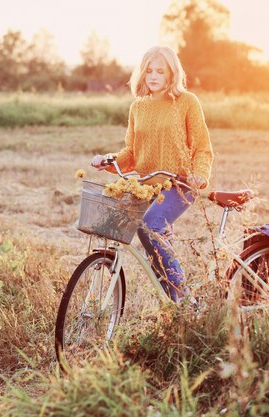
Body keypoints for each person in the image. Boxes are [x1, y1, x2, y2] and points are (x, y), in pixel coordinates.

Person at [91, 45, 213, 303]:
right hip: (147, 186)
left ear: (172, 73)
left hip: (179, 185)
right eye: (149, 71)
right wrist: (108, 160)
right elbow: (132, 153)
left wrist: (199, 174)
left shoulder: (187, 102)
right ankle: (172, 303)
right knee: (142, 236)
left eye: (161, 71)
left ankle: (182, 297)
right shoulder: (138, 107)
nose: (154, 76)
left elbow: (202, 147)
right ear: (142, 74)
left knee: (150, 226)